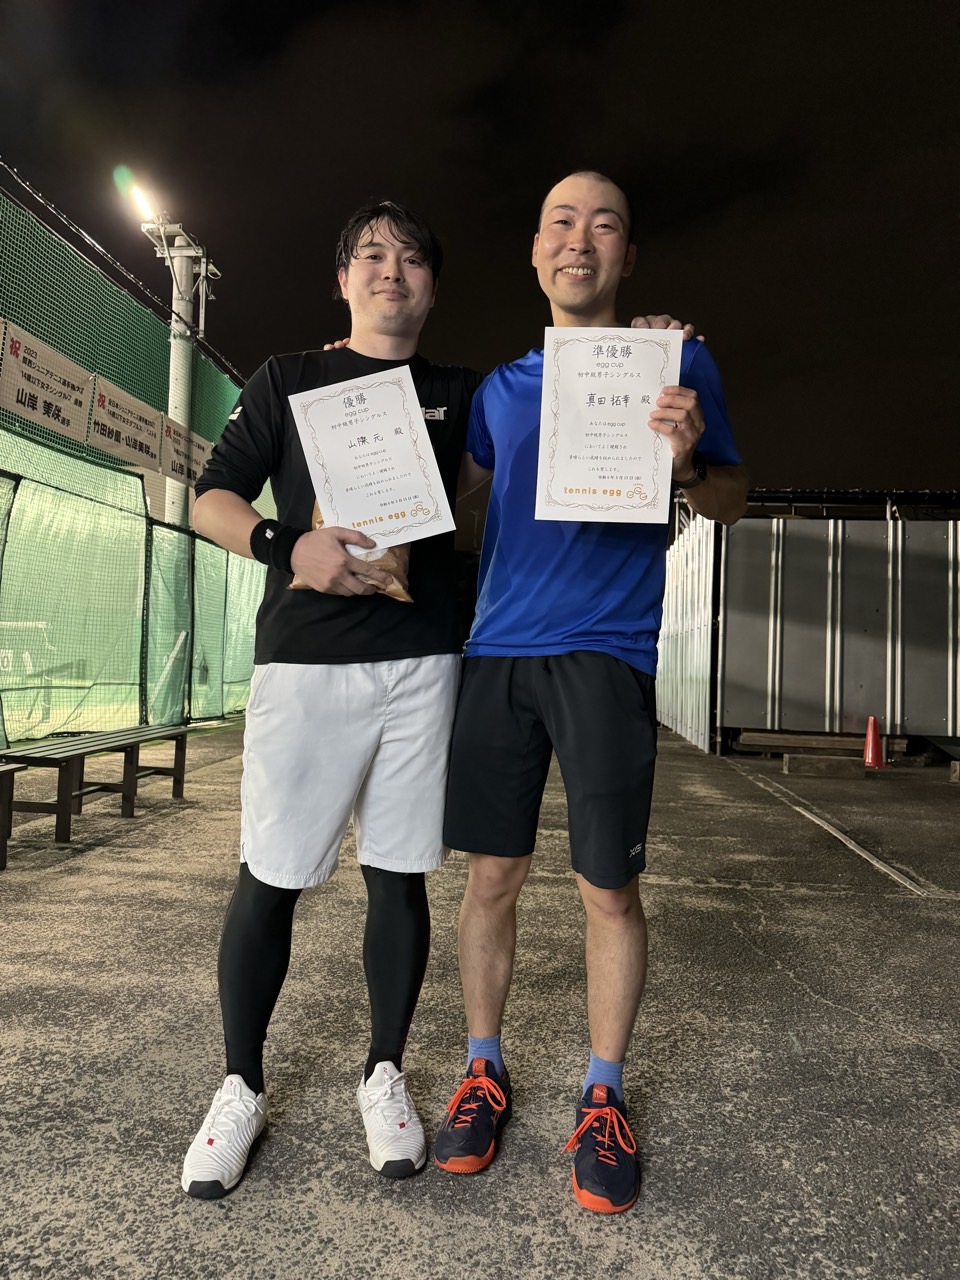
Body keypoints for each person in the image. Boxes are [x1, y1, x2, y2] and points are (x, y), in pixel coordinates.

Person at [433, 171, 748, 1214]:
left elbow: (732, 498)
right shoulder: (499, 389)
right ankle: (483, 1069)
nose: (581, 240)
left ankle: (602, 1093)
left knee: (608, 887)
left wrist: (688, 458)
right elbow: (452, 491)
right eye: (561, 223)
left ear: (627, 255)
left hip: (607, 653)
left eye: (603, 224)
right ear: (536, 252)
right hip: (497, 653)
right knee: (491, 877)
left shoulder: (677, 361)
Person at [180, 200, 482, 1197]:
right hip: (306, 663)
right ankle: (240, 1084)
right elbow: (211, 497)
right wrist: (285, 545)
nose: (392, 269)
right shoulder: (289, 378)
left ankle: (384, 1071)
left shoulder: (460, 393)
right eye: (372, 255)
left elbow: (526, 448)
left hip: (423, 662)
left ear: (431, 287)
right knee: (271, 876)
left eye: (412, 258)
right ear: (344, 280)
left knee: (400, 876)